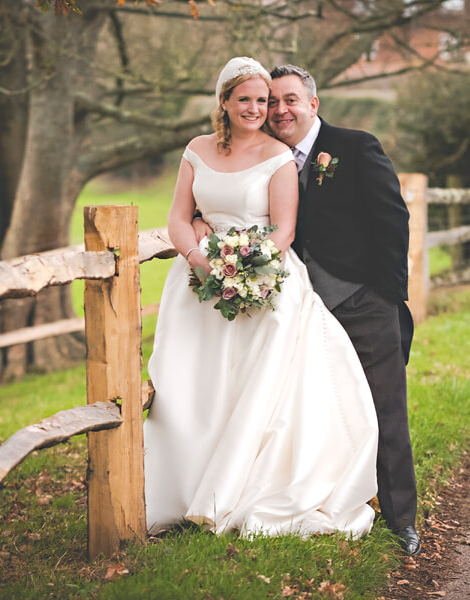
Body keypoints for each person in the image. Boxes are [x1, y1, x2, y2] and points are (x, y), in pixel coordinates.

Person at [143, 57, 380, 538]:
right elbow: (177, 216)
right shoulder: (196, 149)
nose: (256, 108)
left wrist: (245, 270)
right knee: (194, 385)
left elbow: (284, 229)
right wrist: (198, 257)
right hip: (197, 283)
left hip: (263, 279)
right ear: (224, 102)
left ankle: (238, 490)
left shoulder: (277, 156)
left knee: (254, 388)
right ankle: (182, 492)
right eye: (245, 99)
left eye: (263, 100)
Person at [194, 64, 421, 555]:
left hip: (361, 303)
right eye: (271, 102)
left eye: (289, 100)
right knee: (309, 412)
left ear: (313, 104)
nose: (279, 110)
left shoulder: (355, 146)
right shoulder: (266, 154)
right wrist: (199, 222)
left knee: (385, 410)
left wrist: (386, 297)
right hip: (292, 306)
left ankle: (402, 519)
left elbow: (393, 220)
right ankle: (330, 494)